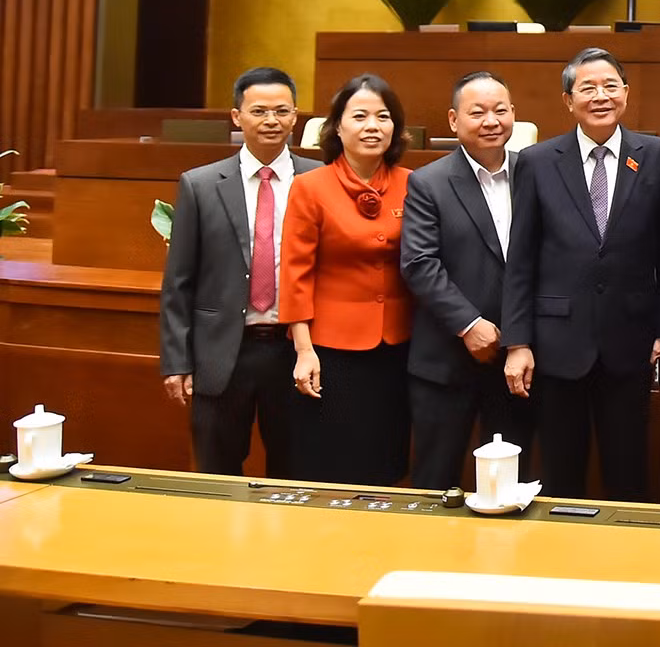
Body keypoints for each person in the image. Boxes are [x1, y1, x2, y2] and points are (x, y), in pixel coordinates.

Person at [501, 48, 660, 502]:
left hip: (632, 340)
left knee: (628, 471)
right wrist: (517, 342)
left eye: (609, 86)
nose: (600, 96)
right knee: (561, 471)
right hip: (557, 342)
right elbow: (520, 258)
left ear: (625, 92)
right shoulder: (537, 161)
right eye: (587, 87)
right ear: (568, 99)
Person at [158, 67, 321, 477]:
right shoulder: (200, 184)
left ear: (295, 116)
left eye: (282, 111)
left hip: (296, 349)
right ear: (236, 117)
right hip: (222, 354)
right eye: (259, 111)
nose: (271, 121)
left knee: (297, 472)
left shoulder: (319, 179)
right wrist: (177, 360)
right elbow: (179, 281)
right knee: (216, 472)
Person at [399, 71, 534, 490]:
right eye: (477, 112)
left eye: (500, 110)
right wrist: (469, 324)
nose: (490, 120)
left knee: (513, 484)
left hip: (520, 360)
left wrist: (519, 338)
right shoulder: (428, 182)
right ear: (455, 121)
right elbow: (420, 263)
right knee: (435, 480)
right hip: (446, 359)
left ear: (514, 114)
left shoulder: (537, 173)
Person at [279, 73, 414, 486]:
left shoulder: (414, 184)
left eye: (383, 117)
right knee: (335, 461)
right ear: (337, 126)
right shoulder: (309, 187)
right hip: (330, 349)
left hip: (400, 346)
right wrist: (303, 349)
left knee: (388, 460)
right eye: (360, 116)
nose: (373, 126)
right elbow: (295, 271)